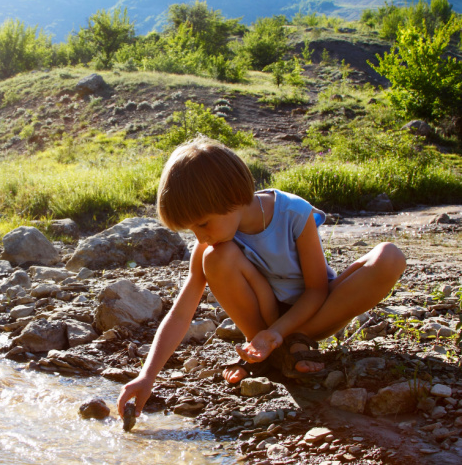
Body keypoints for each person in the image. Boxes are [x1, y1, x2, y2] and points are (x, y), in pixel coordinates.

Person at [117, 136, 406, 419]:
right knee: (215, 258)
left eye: (203, 224)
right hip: (263, 322)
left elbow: (317, 291)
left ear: (231, 196)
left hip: (315, 313)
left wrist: (278, 333)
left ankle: (284, 346)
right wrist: (146, 376)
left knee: (389, 256)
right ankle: (268, 350)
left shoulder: (293, 212)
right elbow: (182, 312)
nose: (200, 236)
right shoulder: (212, 243)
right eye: (191, 230)